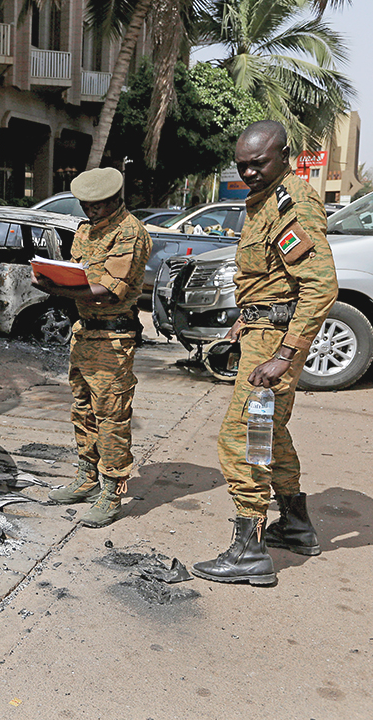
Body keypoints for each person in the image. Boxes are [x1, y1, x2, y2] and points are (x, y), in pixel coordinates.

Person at [191, 120, 337, 586]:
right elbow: (272, 276)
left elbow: (320, 286)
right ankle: (295, 524)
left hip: (275, 344)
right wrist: (246, 319)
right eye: (242, 166)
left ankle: (249, 549)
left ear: (284, 155)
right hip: (261, 332)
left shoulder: (292, 203)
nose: (249, 172)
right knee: (270, 432)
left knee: (244, 438)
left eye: (259, 163)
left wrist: (285, 353)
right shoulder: (264, 201)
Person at [32, 167, 152, 528]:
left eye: (96, 206)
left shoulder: (129, 233)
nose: (89, 212)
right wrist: (53, 274)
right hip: (84, 332)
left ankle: (112, 491)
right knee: (83, 409)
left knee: (111, 415)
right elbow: (78, 271)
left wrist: (56, 290)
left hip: (113, 339)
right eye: (85, 205)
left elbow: (107, 289)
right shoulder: (85, 231)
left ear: (115, 200)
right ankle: (87, 477)